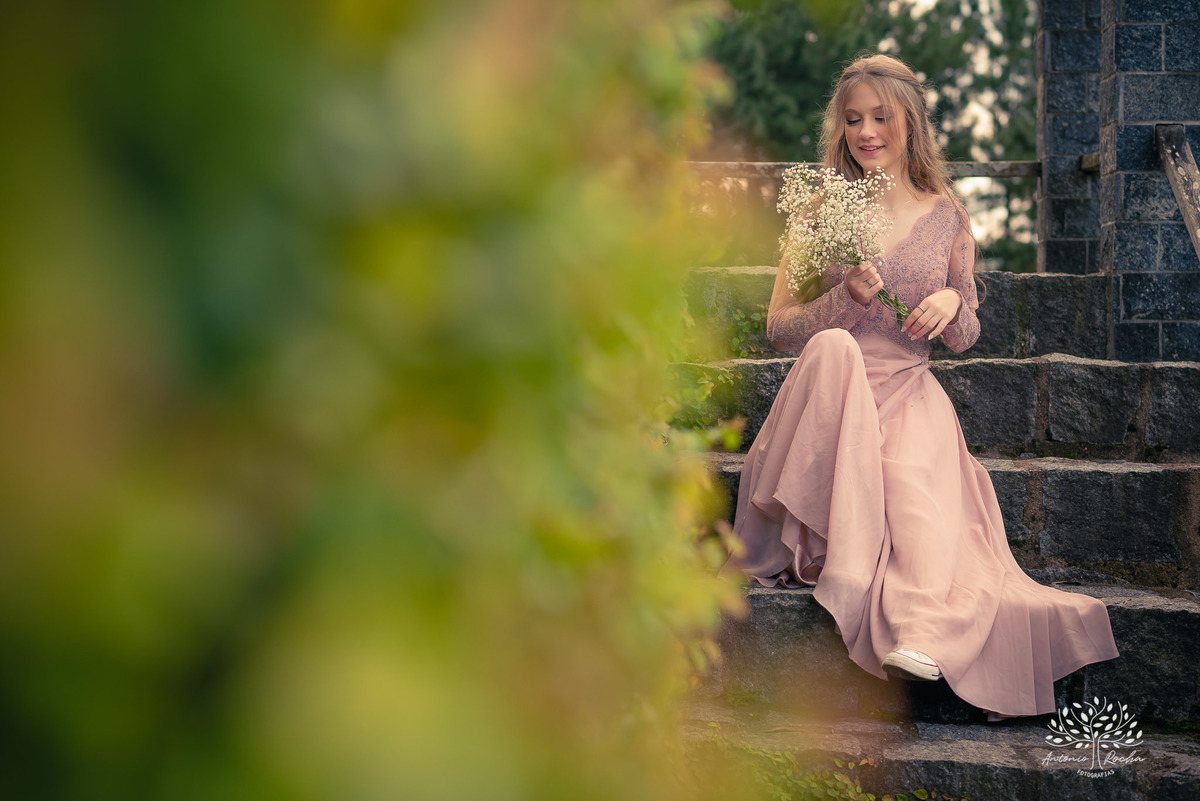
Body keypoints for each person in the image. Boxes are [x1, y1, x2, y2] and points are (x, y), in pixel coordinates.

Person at [718, 53, 1120, 722]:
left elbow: (965, 332)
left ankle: (921, 636)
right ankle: (843, 562)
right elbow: (779, 327)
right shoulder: (822, 210)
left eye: (881, 117)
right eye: (854, 120)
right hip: (829, 398)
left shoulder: (946, 215)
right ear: (840, 128)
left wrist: (950, 306)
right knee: (835, 344)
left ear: (911, 122)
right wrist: (839, 301)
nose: (867, 131)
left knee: (917, 497)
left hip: (909, 394)